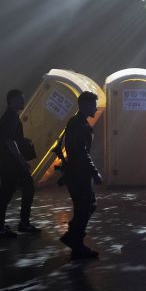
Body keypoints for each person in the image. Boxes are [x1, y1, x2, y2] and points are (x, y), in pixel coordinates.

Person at [59, 91, 102, 259]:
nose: (96, 108)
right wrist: (95, 172)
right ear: (84, 105)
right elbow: (82, 152)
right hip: (79, 173)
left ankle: (73, 237)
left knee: (86, 206)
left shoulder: (76, 122)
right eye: (93, 105)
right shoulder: (80, 125)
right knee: (85, 207)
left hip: (76, 172)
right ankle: (76, 244)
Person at [0, 89, 41, 238]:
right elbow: (9, 141)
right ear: (12, 100)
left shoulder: (11, 116)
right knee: (15, 191)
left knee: (13, 191)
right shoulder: (10, 118)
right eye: (20, 99)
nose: (23, 101)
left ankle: (4, 226)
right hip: (10, 163)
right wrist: (22, 161)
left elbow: (12, 138)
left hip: (8, 162)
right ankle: (10, 226)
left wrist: (23, 140)